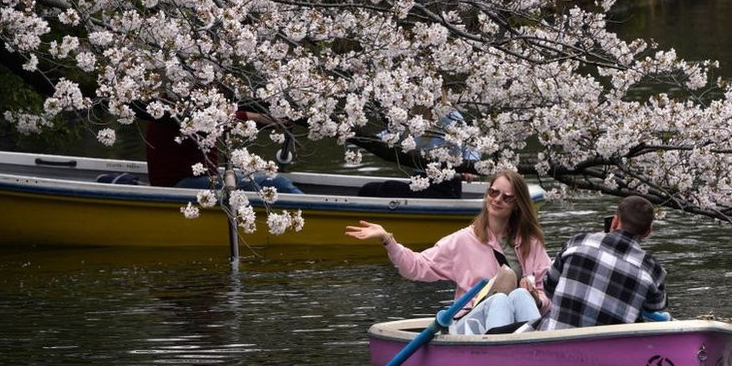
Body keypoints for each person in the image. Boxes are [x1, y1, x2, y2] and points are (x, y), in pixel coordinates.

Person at [345, 170, 550, 334]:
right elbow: (417, 267)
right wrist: (387, 240)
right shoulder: (462, 240)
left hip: (519, 323)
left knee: (523, 295)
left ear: (517, 205)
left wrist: (538, 299)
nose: (497, 200)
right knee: (498, 300)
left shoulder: (530, 243)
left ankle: (535, 352)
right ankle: (500, 358)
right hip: (470, 325)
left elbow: (550, 289)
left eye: (507, 198)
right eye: (493, 193)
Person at [524, 195, 667, 331]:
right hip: (607, 350)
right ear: (647, 232)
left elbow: (549, 286)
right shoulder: (651, 270)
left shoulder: (577, 243)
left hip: (556, 340)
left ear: (615, 222)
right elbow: (656, 306)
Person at [145, 110, 302, 193]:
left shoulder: (168, 105)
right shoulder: (175, 111)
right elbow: (215, 119)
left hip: (196, 179)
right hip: (180, 185)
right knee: (276, 184)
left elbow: (221, 117)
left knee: (275, 181)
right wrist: (255, 117)